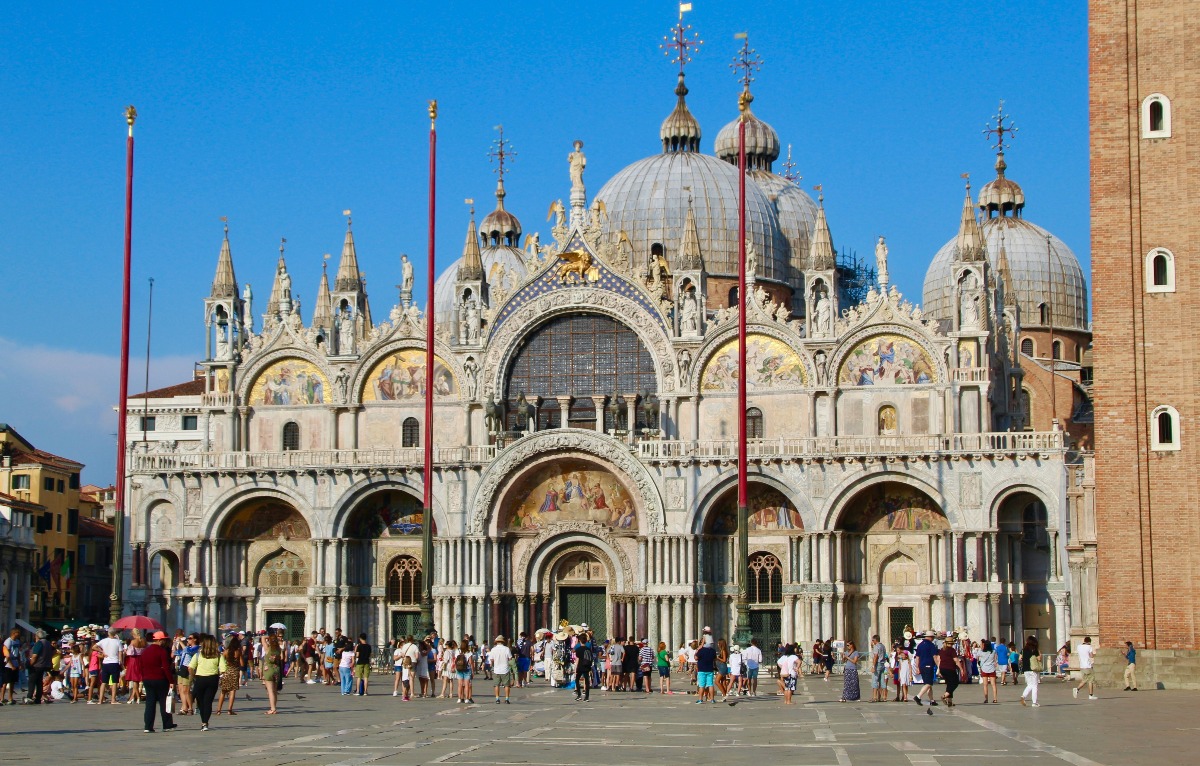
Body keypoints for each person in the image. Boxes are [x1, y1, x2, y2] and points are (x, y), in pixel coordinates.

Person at [140, 631, 177, 733]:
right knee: (164, 703)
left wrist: (144, 677)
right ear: (160, 640)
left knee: (150, 704)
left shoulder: (145, 651)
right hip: (160, 679)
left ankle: (148, 726)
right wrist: (171, 681)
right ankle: (167, 725)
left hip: (147, 679)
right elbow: (166, 668)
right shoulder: (162, 651)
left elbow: (141, 666)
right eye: (164, 640)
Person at [189, 634, 223, 730]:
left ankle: (203, 721)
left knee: (200, 701)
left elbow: (190, 667)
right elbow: (223, 669)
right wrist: (218, 674)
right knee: (208, 702)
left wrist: (193, 676)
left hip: (200, 679)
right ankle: (205, 723)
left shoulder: (198, 655)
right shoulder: (218, 655)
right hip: (212, 679)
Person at [25, 629, 54, 705]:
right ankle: (38, 698)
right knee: (39, 682)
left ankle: (29, 697)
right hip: (44, 665)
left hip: (36, 665)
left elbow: (35, 656)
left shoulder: (39, 643)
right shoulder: (48, 643)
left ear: (37, 636)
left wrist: (30, 664)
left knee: (32, 681)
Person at [913, 631, 938, 714]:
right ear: (930, 637)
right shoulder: (931, 645)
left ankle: (932, 700)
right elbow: (935, 656)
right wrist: (938, 666)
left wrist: (917, 667)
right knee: (928, 684)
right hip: (928, 666)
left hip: (921, 666)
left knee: (927, 684)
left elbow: (917, 657)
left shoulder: (920, 645)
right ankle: (918, 696)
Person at [215, 637, 241, 715]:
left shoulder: (226, 651)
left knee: (223, 691)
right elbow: (242, 663)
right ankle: (229, 710)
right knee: (232, 691)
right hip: (235, 672)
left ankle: (218, 710)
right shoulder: (238, 652)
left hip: (226, 672)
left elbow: (222, 661)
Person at [97, 629, 123, 705]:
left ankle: (100, 700)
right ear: (115, 634)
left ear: (108, 633)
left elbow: (94, 647)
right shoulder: (118, 642)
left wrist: (102, 652)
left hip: (106, 663)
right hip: (114, 662)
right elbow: (120, 654)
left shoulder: (104, 641)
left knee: (104, 682)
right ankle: (113, 699)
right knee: (115, 682)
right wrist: (121, 663)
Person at [488, 636, 514, 704]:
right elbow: (510, 658)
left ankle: (497, 698)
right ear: (503, 642)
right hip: (505, 669)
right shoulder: (506, 649)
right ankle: (507, 699)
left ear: (496, 642)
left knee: (496, 685)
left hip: (497, 669)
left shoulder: (493, 649)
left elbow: (492, 659)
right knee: (506, 685)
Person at [937, 635, 960, 707]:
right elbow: (956, 660)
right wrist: (961, 669)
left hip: (943, 668)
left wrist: (939, 669)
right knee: (955, 683)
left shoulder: (941, 650)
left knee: (949, 683)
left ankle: (949, 701)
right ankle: (945, 696)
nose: (951, 645)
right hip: (950, 668)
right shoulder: (952, 650)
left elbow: (939, 660)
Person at [261, 633, 282, 713]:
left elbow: (263, 637)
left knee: (270, 691)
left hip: (268, 670)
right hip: (276, 670)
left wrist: (270, 636)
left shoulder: (267, 648)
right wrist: (276, 638)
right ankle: (274, 708)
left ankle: (272, 708)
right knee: (274, 690)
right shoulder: (278, 649)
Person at [125, 629, 146, 704]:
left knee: (134, 679)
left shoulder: (133, 642)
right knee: (136, 680)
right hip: (140, 660)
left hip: (133, 660)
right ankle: (134, 697)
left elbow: (129, 653)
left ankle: (136, 697)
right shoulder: (143, 641)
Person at [1073, 636, 1097, 700]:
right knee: (1091, 680)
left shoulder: (1079, 646)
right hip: (1088, 666)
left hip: (1082, 666)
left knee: (1085, 680)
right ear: (1089, 641)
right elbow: (1091, 656)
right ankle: (1091, 695)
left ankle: (1077, 689)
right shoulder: (1089, 647)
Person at [1019, 635, 1041, 707]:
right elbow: (1039, 658)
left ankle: (1023, 696)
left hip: (1025, 669)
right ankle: (1034, 702)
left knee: (1030, 684)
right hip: (1033, 669)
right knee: (1035, 685)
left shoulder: (1023, 650)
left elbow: (1020, 658)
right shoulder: (1034, 650)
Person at [572, 632, 594, 702]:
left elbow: (577, 659)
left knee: (577, 680)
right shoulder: (588, 649)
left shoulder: (578, 649)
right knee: (587, 682)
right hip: (587, 667)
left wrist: (575, 669)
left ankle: (579, 695)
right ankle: (587, 697)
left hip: (580, 667)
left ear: (580, 641)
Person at [3, 628, 22, 706]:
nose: (19, 634)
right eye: (17, 633)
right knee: (5, 681)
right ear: (14, 633)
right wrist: (11, 665)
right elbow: (7, 655)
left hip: (15, 662)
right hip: (8, 664)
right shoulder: (8, 641)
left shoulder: (17, 641)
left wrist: (19, 663)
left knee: (12, 682)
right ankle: (2, 698)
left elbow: (18, 653)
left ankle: (10, 697)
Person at [694, 637, 717, 704]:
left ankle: (700, 699)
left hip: (702, 670)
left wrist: (699, 649)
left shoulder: (701, 650)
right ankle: (712, 699)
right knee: (710, 684)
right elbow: (715, 659)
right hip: (710, 669)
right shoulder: (713, 650)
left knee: (701, 685)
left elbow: (696, 658)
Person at [977, 639, 999, 703]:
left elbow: (977, 655)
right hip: (991, 669)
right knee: (993, 684)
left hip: (984, 669)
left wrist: (981, 647)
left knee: (985, 685)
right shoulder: (993, 652)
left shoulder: (981, 652)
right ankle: (995, 699)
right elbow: (996, 659)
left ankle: (986, 699)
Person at [869, 635, 889, 702]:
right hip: (883, 664)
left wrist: (873, 666)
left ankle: (874, 697)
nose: (872, 642)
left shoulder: (876, 646)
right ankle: (884, 697)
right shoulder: (883, 646)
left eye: (873, 640)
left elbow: (875, 656)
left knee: (875, 680)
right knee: (882, 681)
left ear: (875, 640)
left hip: (878, 664)